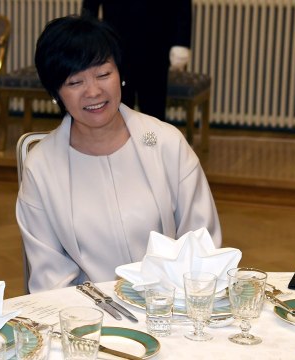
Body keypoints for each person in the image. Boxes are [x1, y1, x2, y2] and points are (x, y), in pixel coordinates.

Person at [16, 15, 221, 293]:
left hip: (170, 309)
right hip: (89, 319)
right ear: (56, 93)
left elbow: (202, 245)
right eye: (75, 82)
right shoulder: (41, 166)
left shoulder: (165, 143)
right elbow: (49, 277)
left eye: (103, 74)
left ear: (120, 76)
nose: (94, 91)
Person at [82, 0, 192, 121]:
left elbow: (182, 4)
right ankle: (120, 140)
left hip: (156, 44)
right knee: (118, 107)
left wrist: (181, 41)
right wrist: (86, 37)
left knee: (153, 108)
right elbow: (90, 5)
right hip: (116, 42)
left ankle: (151, 140)